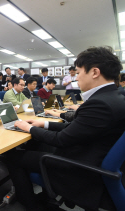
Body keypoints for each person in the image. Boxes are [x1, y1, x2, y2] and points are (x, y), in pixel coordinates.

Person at [7, 46, 125, 211]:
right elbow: (76, 128)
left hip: (80, 167)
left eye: (78, 72)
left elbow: (61, 139)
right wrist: (44, 123)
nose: (76, 77)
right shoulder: (116, 96)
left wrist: (28, 128)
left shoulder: (100, 103)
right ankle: (44, 196)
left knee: (12, 156)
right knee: (37, 144)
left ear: (95, 72)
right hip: (93, 154)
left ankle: (30, 204)